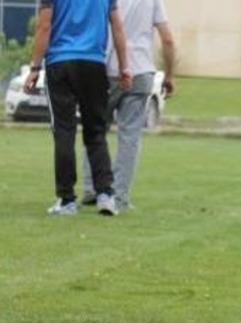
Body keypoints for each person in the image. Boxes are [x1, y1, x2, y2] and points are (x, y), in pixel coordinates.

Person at [26, 0, 132, 216]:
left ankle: (66, 200)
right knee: (96, 131)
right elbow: (117, 27)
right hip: (93, 63)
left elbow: (44, 26)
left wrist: (35, 67)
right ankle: (105, 195)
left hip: (60, 63)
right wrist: (124, 67)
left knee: (64, 131)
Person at [81, 0, 177, 211]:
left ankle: (91, 189)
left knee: (95, 131)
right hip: (141, 71)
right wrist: (169, 75)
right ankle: (120, 197)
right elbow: (167, 39)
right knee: (129, 137)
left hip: (106, 70)